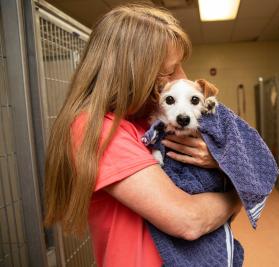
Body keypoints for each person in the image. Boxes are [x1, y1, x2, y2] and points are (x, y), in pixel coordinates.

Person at [44, 4, 241, 267]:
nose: (181, 77)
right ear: (131, 75)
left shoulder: (149, 122)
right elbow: (189, 220)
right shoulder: (96, 128)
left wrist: (218, 162)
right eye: (170, 71)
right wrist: (239, 196)